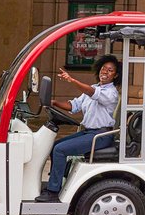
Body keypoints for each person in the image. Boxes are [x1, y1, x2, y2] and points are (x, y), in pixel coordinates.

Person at [36, 54, 121, 202]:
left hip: (101, 136)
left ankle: (53, 191)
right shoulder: (94, 88)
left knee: (60, 150)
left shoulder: (111, 93)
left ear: (115, 75)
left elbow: (92, 93)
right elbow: (73, 105)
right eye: (103, 69)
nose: (105, 72)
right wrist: (54, 103)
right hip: (88, 132)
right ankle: (59, 183)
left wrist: (71, 80)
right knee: (55, 145)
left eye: (110, 70)